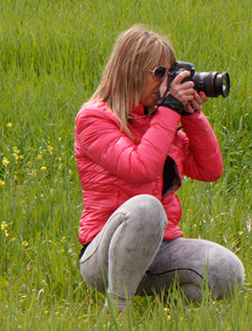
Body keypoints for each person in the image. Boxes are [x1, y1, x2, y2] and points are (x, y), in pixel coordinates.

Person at [74, 24, 242, 311]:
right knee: (147, 208)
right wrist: (169, 110)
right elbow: (140, 168)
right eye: (159, 73)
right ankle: (117, 312)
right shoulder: (93, 119)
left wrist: (191, 115)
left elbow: (210, 170)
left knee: (227, 272)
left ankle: (166, 312)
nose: (166, 82)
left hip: (160, 248)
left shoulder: (159, 119)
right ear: (131, 71)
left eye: (170, 72)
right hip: (104, 253)